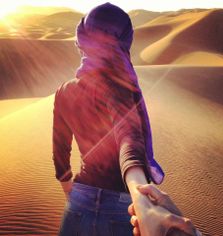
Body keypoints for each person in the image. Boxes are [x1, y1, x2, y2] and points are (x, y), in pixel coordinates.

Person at [52, 2, 199, 236]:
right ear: (124, 40)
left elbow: (60, 151)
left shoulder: (64, 91)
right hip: (124, 206)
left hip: (79, 201)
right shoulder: (121, 88)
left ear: (82, 38)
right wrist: (141, 199)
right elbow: (129, 138)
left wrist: (70, 191)